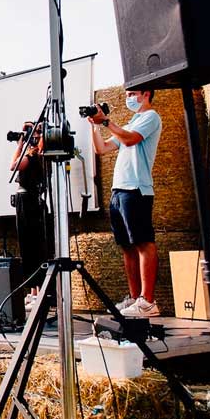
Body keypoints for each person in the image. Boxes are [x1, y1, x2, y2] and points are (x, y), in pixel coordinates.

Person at [88, 88, 163, 318]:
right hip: (119, 190)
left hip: (136, 188)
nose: (129, 97)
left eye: (133, 93)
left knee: (143, 242)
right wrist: (94, 124)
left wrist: (107, 122)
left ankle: (148, 300)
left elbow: (131, 140)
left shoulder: (151, 117)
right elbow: (102, 149)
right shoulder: (132, 121)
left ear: (146, 94)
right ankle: (135, 298)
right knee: (127, 246)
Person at [9, 122, 55, 306]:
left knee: (34, 246)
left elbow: (14, 165)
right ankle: (33, 289)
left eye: (36, 132)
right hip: (25, 200)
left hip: (30, 201)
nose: (32, 135)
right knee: (27, 245)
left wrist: (20, 145)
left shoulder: (36, 155)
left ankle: (38, 290)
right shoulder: (33, 153)